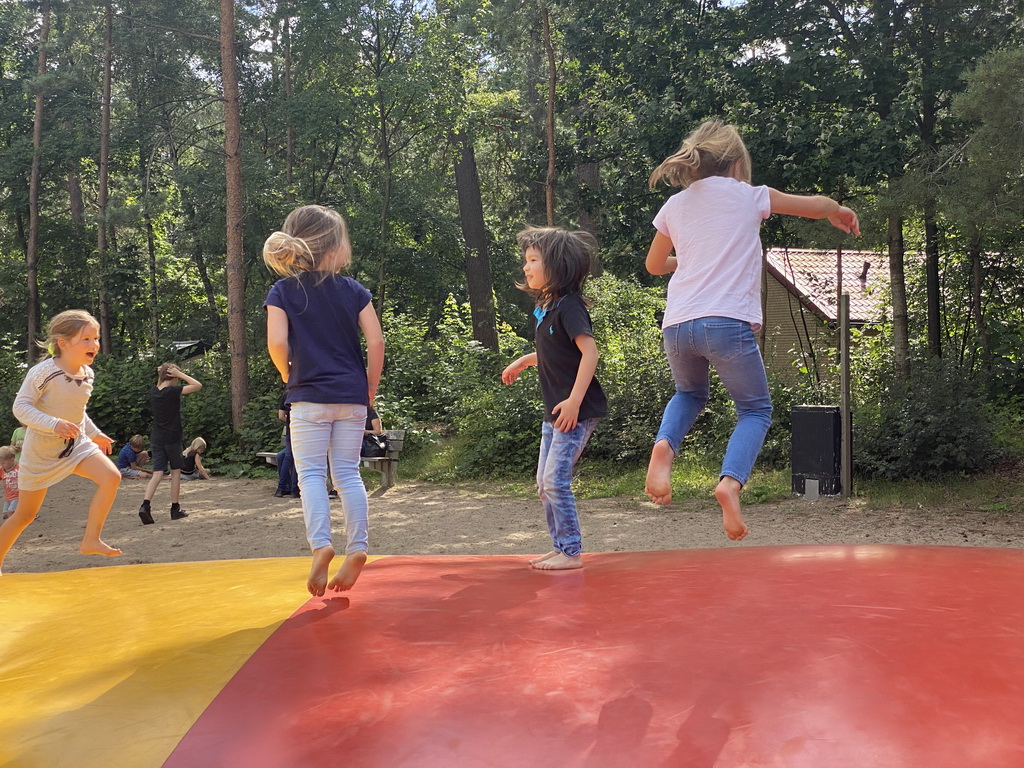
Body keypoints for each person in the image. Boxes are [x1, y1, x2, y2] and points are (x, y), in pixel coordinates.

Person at [642, 119, 860, 540]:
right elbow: (814, 204)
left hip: (678, 326)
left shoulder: (675, 205)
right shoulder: (750, 196)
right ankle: (730, 484)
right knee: (756, 410)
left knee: (689, 394)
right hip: (725, 322)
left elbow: (654, 267)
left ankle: (664, 448)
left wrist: (684, 262)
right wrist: (837, 210)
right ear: (738, 165)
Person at [264, 204, 384, 596]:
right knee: (347, 473)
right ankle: (358, 548)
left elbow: (277, 342)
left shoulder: (283, 291)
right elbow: (376, 341)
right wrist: (369, 389)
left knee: (311, 474)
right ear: (334, 249)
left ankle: (322, 545)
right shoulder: (354, 291)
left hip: (308, 397)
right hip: (351, 397)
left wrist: (287, 374)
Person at [501, 226, 607, 571]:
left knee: (554, 480)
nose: (526, 267)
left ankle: (572, 552)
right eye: (526, 260)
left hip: (574, 411)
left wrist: (575, 401)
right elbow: (554, 353)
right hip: (555, 412)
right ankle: (560, 546)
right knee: (543, 484)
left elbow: (589, 353)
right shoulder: (548, 309)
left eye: (533, 260)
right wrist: (524, 360)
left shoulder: (571, 307)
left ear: (557, 266)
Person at [0, 310, 122, 573]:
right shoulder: (43, 372)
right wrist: (53, 424)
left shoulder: (87, 374)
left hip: (76, 446)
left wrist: (93, 432)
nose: (94, 345)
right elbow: (20, 408)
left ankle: (91, 539)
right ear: (63, 343)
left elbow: (77, 411)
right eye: (86, 339)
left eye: (96, 338)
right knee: (25, 515)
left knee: (112, 477)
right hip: (41, 454)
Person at [139, 362, 202, 524]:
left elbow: (160, 383)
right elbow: (197, 385)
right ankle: (175, 508)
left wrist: (163, 373)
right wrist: (180, 374)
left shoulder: (154, 392)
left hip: (157, 438)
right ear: (172, 377)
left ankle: (145, 506)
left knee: (158, 473)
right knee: (175, 472)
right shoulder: (173, 392)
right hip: (172, 437)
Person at [274, 395, 299, 498]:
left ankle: (282, 488)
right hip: (303, 431)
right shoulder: (306, 393)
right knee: (296, 457)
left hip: (291, 430)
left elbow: (280, 416)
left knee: (288, 457)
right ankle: (294, 489)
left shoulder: (286, 395)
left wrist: (290, 422)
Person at [0, 446, 19, 520]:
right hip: (8, 496)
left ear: (12, 459)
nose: (1, 465)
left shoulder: (19, 469)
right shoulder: (2, 469)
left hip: (18, 496)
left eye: (3, 463)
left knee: (10, 513)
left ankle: (11, 529)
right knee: (5, 513)